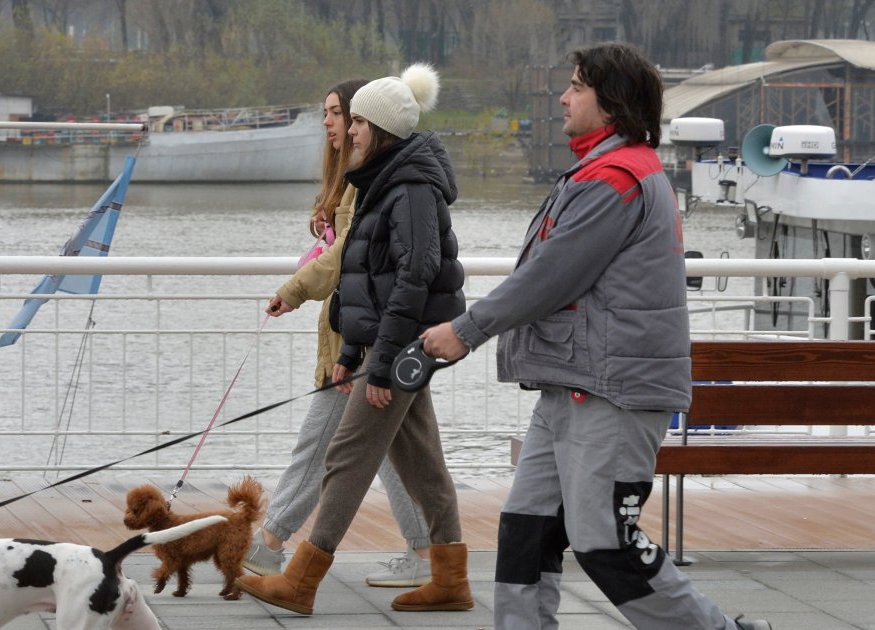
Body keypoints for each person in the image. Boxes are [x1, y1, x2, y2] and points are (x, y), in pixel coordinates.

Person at [419, 42, 771, 630]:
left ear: (610, 104)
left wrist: (467, 330)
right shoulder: (603, 171)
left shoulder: (617, 177)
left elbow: (551, 276)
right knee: (527, 532)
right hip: (573, 382)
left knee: (606, 541)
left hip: (612, 390)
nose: (562, 96)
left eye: (577, 86)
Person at [236, 62, 473, 616]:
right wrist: (348, 353)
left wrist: (382, 364)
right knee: (424, 466)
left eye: (359, 121)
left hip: (401, 350)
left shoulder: (410, 188)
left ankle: (300, 579)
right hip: (386, 347)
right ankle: (451, 578)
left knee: (345, 455)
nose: (351, 131)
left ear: (382, 127)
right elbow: (363, 281)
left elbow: (414, 279)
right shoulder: (380, 182)